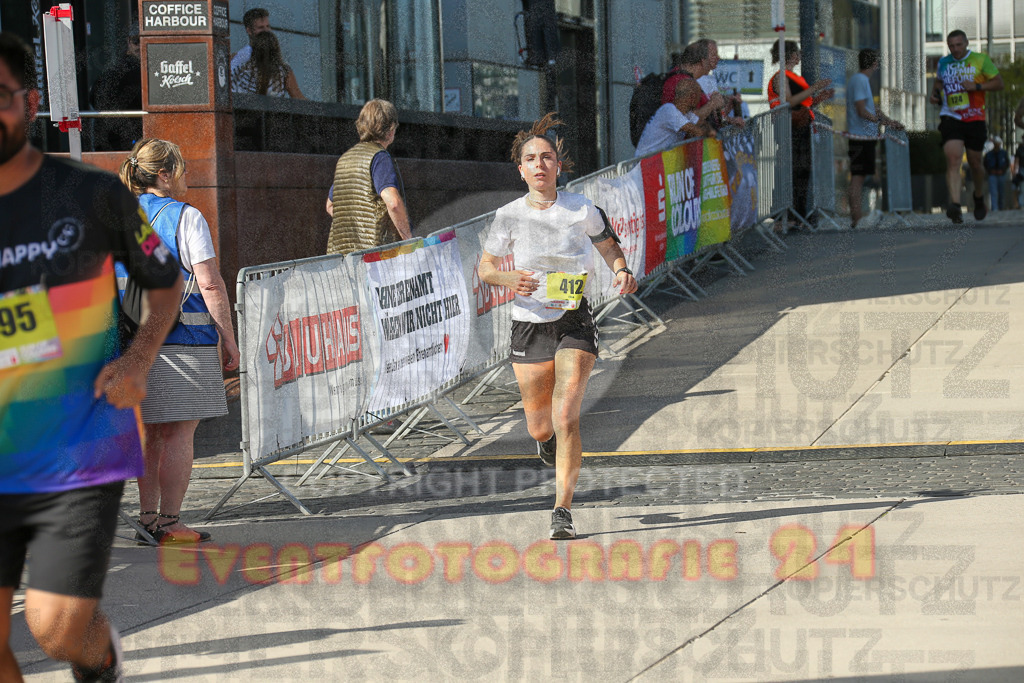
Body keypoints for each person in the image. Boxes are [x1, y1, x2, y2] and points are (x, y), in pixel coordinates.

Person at [0, 32, 183, 680]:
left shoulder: (90, 196)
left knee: (53, 629)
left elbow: (168, 283)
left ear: (29, 102)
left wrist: (135, 363)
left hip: (77, 443)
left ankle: (96, 655)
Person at [477, 113, 638, 540]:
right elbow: (486, 268)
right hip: (529, 323)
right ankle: (545, 444)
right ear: (522, 169)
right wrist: (509, 278)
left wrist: (621, 270)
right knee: (540, 426)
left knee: (566, 416)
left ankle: (561, 509)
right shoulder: (508, 215)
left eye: (547, 157)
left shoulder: (581, 208)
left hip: (573, 320)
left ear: (558, 166)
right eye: (531, 158)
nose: (539, 165)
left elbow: (608, 245)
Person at [117, 138, 239, 544]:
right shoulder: (186, 217)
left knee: (151, 434)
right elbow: (210, 284)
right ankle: (170, 523)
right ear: (165, 175)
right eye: (182, 168)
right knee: (179, 435)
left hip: (134, 343)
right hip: (184, 341)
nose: (187, 176)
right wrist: (229, 338)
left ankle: (148, 519)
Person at [930, 29, 1003, 224]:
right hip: (951, 115)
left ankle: (978, 196)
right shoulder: (944, 63)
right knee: (953, 158)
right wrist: (935, 94)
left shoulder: (980, 60)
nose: (955, 49)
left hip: (975, 117)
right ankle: (954, 205)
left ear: (966, 43)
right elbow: (938, 82)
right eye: (951, 46)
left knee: (975, 163)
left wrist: (977, 87)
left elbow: (998, 83)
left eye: (958, 45)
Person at [326, 99, 413, 254]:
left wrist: (356, 229)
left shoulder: (346, 159)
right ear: (391, 129)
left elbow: (330, 205)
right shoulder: (380, 157)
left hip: (343, 256)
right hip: (376, 255)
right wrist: (409, 241)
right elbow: (393, 203)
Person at [768, 39, 834, 224]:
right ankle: (787, 216)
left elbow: (803, 103)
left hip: (800, 128)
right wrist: (815, 88)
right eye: (796, 53)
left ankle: (799, 213)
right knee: (791, 172)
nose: (799, 56)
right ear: (791, 55)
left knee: (802, 172)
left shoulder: (794, 77)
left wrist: (819, 97)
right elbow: (790, 100)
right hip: (788, 130)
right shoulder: (780, 77)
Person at [846, 49, 903, 228]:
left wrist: (889, 121)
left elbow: (873, 108)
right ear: (875, 64)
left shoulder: (862, 81)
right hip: (860, 137)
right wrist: (879, 121)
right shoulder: (860, 80)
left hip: (866, 137)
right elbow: (862, 110)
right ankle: (857, 218)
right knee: (858, 177)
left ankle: (858, 218)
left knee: (860, 176)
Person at [89, 24, 142, 150]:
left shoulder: (122, 68)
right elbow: (96, 98)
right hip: (124, 142)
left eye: (145, 41)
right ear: (129, 42)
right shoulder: (121, 70)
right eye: (136, 41)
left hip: (117, 140)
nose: (140, 46)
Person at [634, 78, 712, 157]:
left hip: (656, 162)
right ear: (692, 97)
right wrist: (708, 131)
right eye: (700, 95)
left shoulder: (685, 114)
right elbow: (698, 131)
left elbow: (703, 124)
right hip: (644, 164)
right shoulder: (669, 110)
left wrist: (707, 129)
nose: (700, 99)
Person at [661, 43, 725, 126]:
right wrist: (712, 104)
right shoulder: (683, 81)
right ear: (703, 61)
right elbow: (687, 121)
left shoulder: (681, 76)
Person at [231, 31, 304, 99]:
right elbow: (298, 97)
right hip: (270, 111)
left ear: (253, 49)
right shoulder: (283, 71)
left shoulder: (242, 65)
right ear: (276, 50)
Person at [694, 38, 744, 129]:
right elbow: (694, 119)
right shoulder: (693, 81)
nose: (718, 58)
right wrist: (732, 120)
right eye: (714, 54)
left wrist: (730, 104)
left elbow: (719, 117)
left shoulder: (711, 79)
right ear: (703, 58)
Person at [230, 7, 271, 74]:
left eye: (268, 26)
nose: (266, 31)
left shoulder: (274, 54)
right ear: (249, 30)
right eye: (261, 27)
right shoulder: (242, 58)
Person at [983, 136, 1009, 212]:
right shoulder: (989, 154)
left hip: (1001, 174)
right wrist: (990, 171)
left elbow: (1006, 163)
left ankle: (1000, 206)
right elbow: (986, 164)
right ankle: (995, 208)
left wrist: (1002, 170)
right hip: (992, 175)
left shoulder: (1004, 153)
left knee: (1001, 192)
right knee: (993, 192)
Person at [1012, 136, 1024, 210]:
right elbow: (1016, 161)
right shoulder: (1020, 150)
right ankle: (1021, 204)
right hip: (1022, 170)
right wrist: (1015, 172)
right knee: (1022, 188)